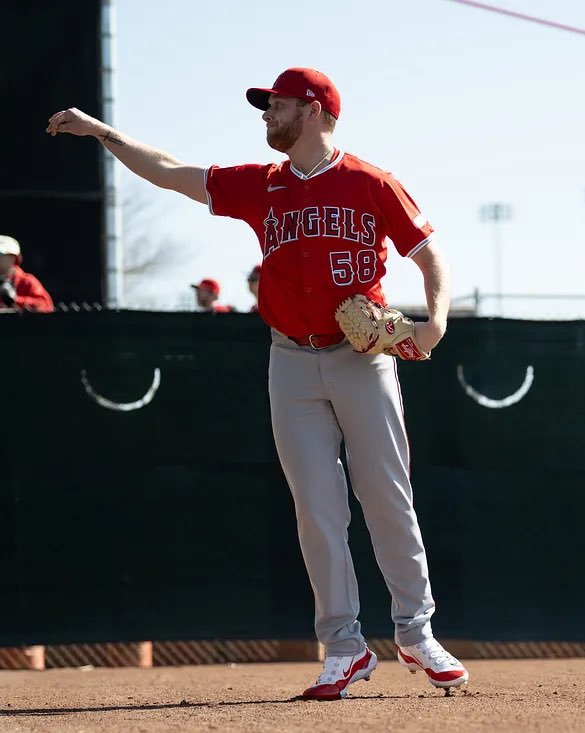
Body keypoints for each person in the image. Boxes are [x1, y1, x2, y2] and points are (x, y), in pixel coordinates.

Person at [46, 66, 464, 700]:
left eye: (279, 105)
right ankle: (344, 646)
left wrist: (434, 321)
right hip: (290, 360)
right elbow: (168, 170)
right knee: (317, 508)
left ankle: (416, 630)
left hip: (360, 355)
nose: (267, 114)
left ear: (318, 111)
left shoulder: (370, 183)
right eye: (265, 106)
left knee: (386, 498)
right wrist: (101, 131)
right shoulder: (261, 186)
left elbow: (430, 252)